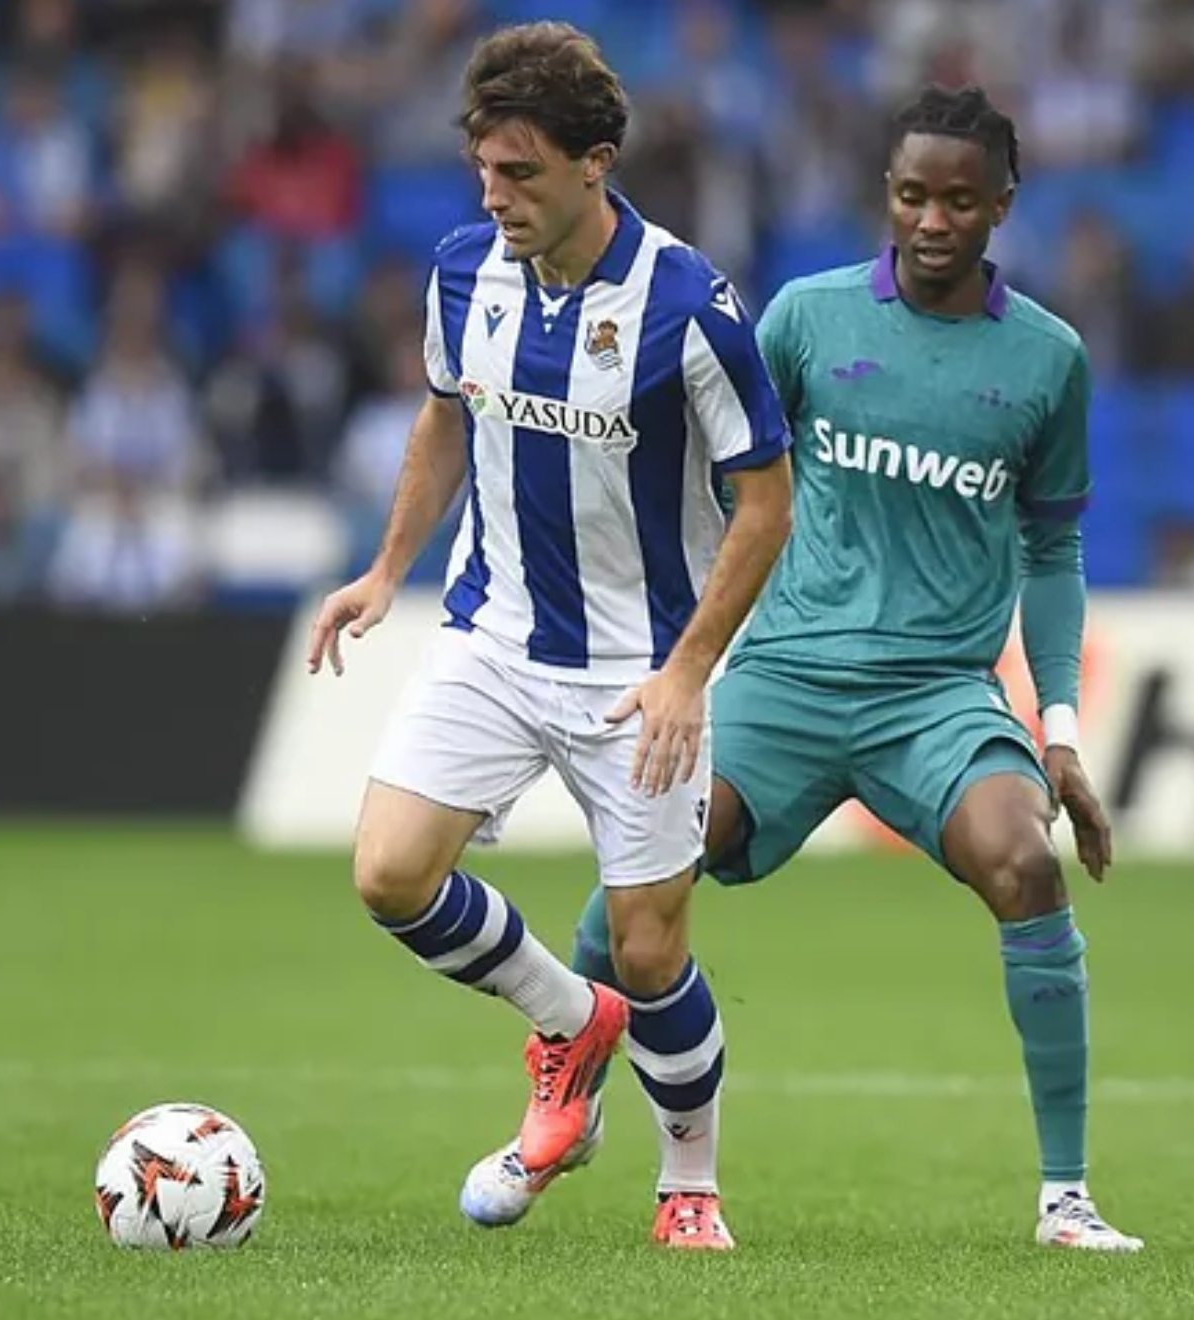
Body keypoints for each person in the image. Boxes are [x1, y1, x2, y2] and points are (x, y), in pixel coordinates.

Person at [462, 83, 1144, 1254]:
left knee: (1027, 866)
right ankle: (563, 1109)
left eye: (961, 201)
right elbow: (728, 477)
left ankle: (1066, 1199)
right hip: (783, 674)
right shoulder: (806, 319)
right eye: (912, 194)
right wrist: (678, 641)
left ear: (1003, 208)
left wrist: (1063, 728)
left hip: (937, 695)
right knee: (638, 896)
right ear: (887, 193)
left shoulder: (1049, 361)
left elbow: (1052, 544)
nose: (933, 220)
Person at [306, 21, 793, 1253]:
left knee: (652, 942)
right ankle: (570, 1025)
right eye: (484, 169)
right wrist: (384, 571)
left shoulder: (690, 304)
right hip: (494, 635)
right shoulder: (464, 272)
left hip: (642, 673)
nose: (495, 195)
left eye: (521, 172)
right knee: (388, 874)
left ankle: (690, 1185)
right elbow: (444, 422)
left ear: (597, 163)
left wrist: (689, 672)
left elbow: (767, 503)